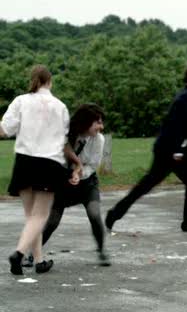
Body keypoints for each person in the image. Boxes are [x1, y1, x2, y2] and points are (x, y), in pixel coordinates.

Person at [105, 65, 187, 233]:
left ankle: (115, 214)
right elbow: (175, 126)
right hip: (171, 152)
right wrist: (178, 150)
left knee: (152, 185)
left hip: (169, 151)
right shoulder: (184, 98)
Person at [1, 65, 73, 275]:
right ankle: (19, 253)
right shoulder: (60, 106)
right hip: (49, 162)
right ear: (50, 81)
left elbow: (4, 130)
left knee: (31, 216)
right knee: (40, 216)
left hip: (24, 161)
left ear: (33, 80)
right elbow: (64, 140)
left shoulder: (20, 101)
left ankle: (40, 261)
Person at [36, 104, 111, 267]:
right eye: (97, 122)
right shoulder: (65, 135)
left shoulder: (99, 139)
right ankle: (32, 253)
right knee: (52, 222)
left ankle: (101, 250)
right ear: (86, 122)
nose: (101, 126)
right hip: (63, 184)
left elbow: (93, 165)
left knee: (94, 213)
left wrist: (78, 174)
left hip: (87, 183)